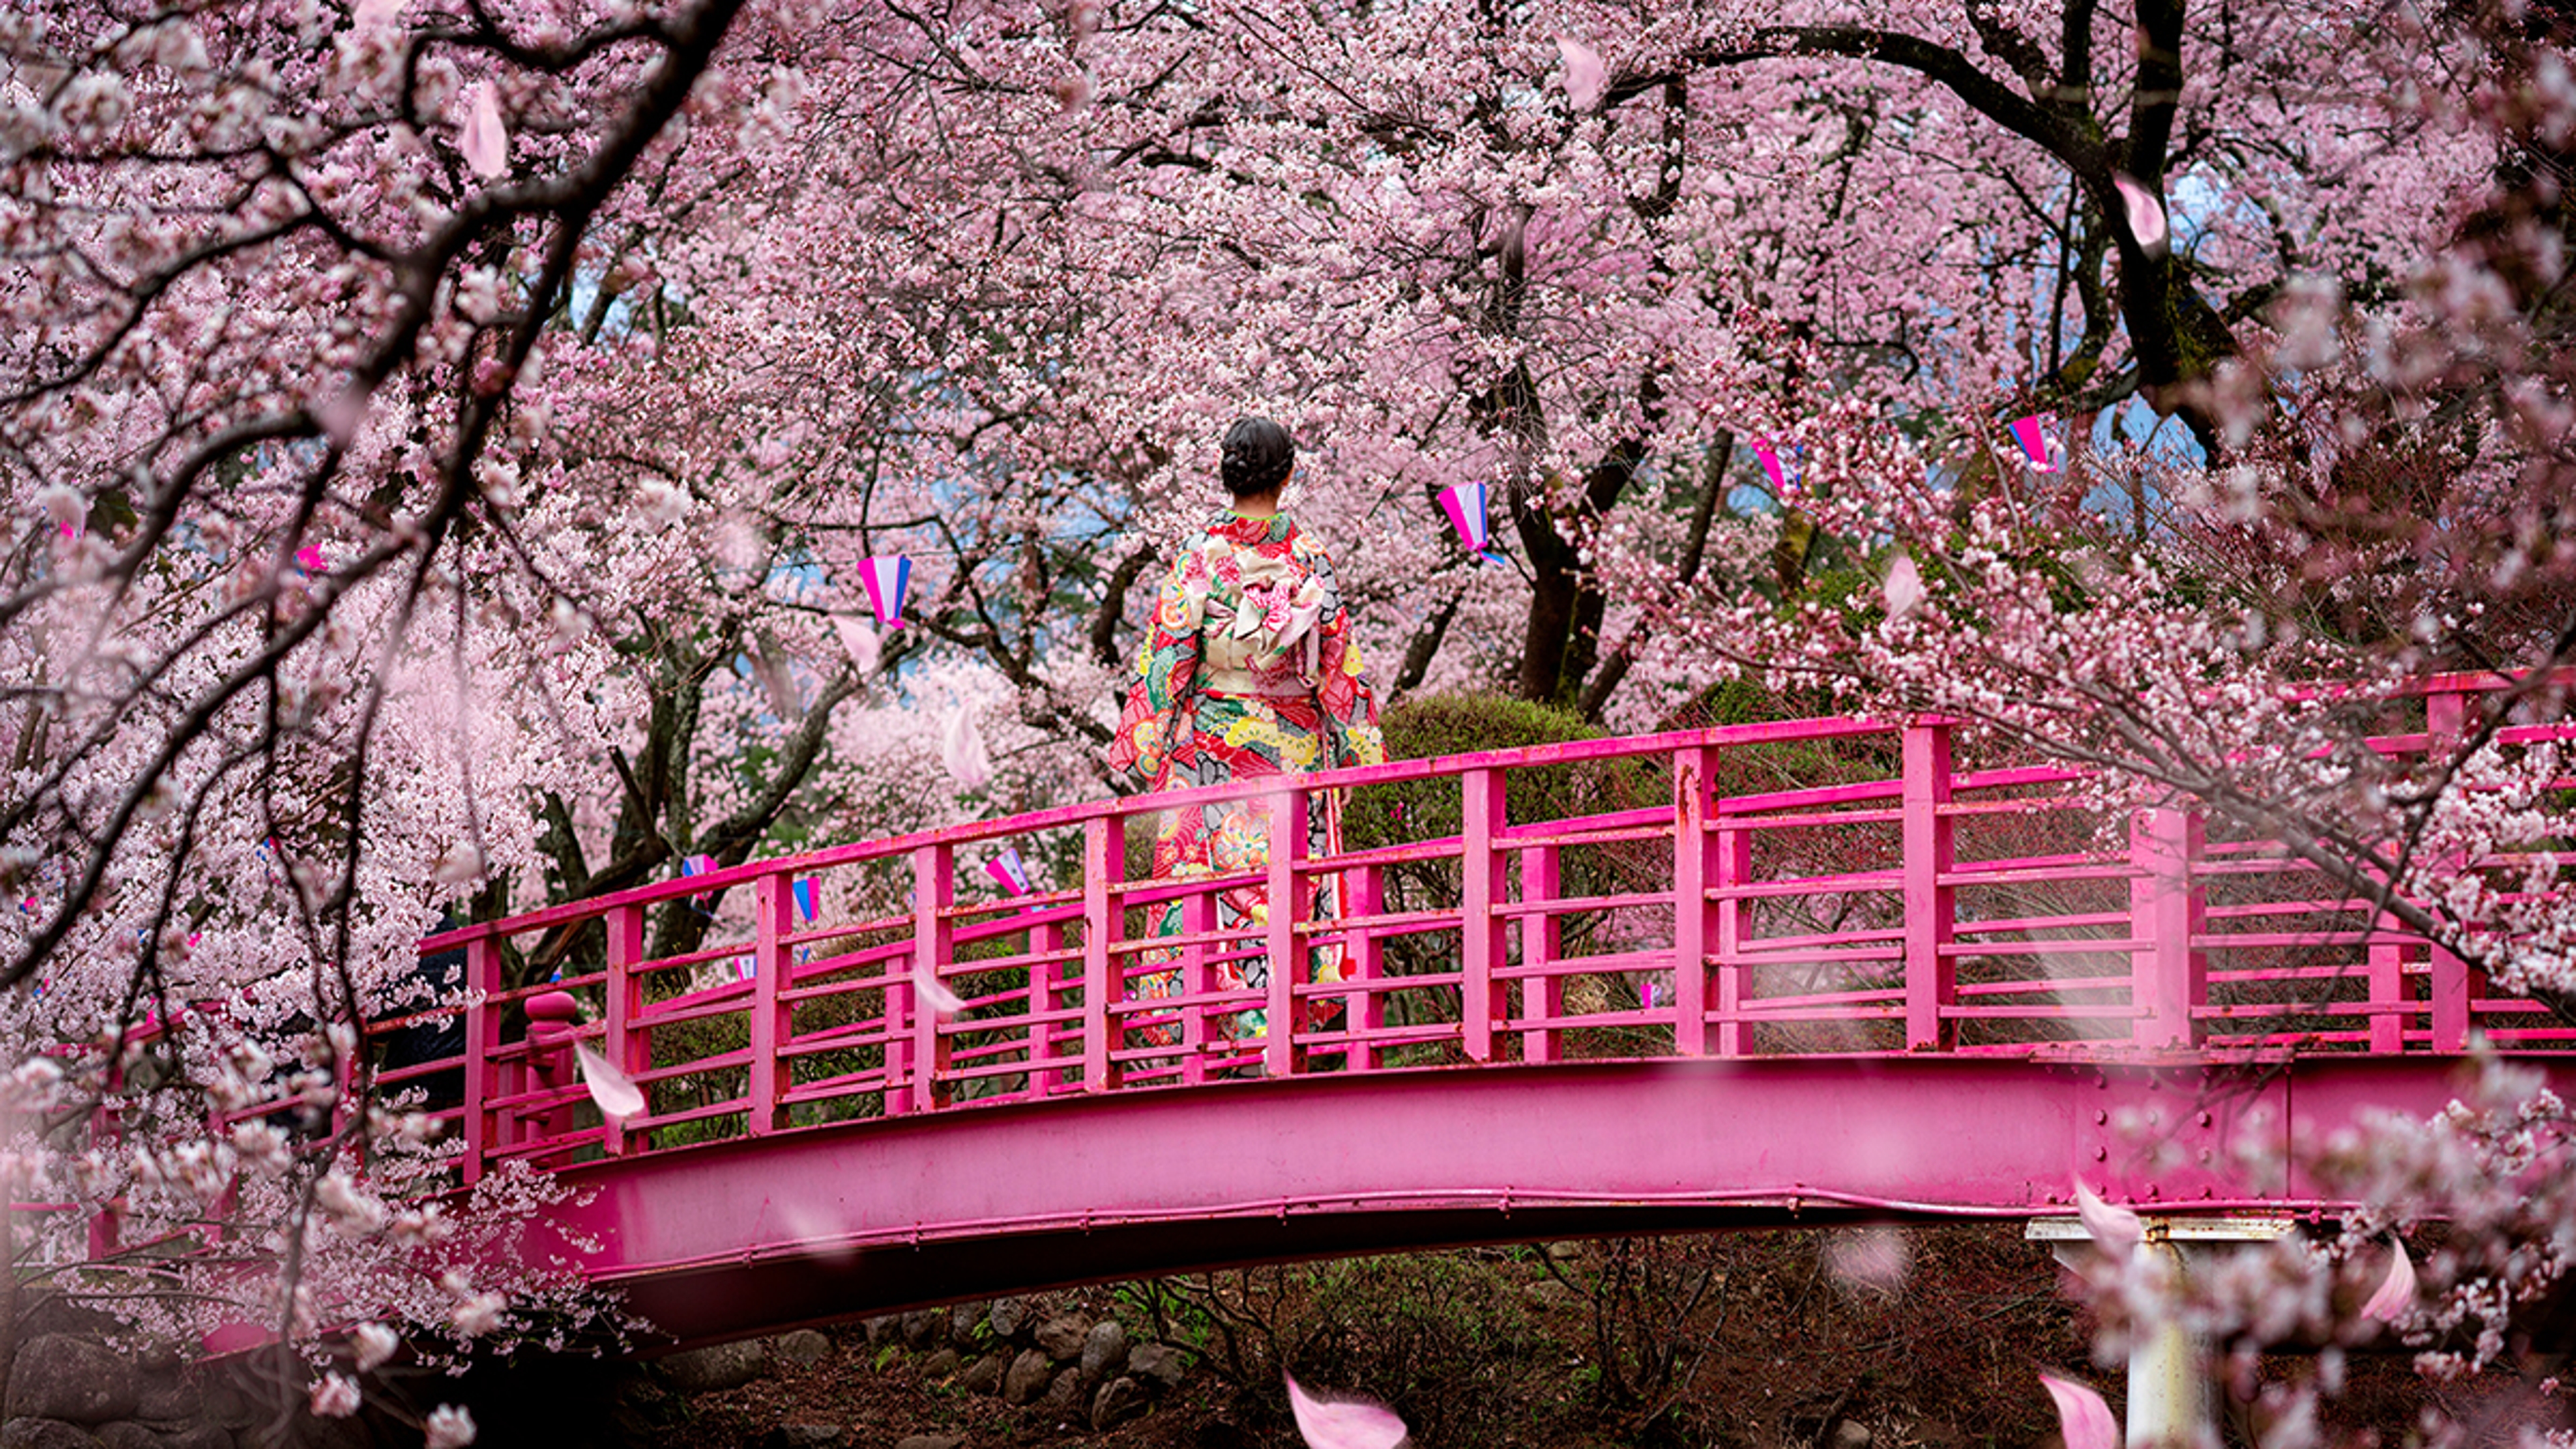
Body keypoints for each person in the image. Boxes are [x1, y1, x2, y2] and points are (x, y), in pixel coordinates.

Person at [1108, 417, 1384, 1052]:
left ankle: (1216, 1027)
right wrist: (1363, 750)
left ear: (1225, 473)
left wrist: (1146, 743)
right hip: (1294, 754)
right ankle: (1293, 1022)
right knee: (1291, 883)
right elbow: (1339, 665)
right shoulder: (1309, 558)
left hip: (1213, 756)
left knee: (1216, 889)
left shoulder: (1200, 559)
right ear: (1290, 475)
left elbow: (1168, 660)